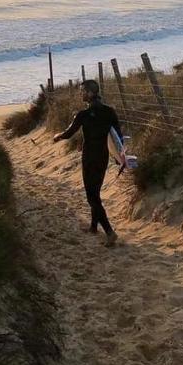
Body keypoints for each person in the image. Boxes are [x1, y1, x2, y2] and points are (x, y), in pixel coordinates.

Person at [53, 79, 123, 247]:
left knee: (92, 196)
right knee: (95, 191)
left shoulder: (82, 115)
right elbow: (118, 137)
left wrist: (58, 136)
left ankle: (109, 232)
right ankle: (93, 226)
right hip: (103, 156)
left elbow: (69, 133)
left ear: (91, 93)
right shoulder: (110, 112)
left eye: (83, 91)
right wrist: (119, 157)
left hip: (89, 157)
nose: (81, 94)